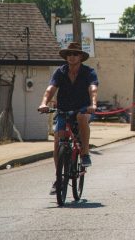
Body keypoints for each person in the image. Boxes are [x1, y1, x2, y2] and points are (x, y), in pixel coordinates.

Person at [38, 42, 98, 195]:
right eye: (69, 54)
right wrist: (44, 103)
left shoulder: (88, 72)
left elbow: (93, 89)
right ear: (66, 57)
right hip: (63, 110)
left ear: (80, 57)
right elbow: (50, 89)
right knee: (58, 141)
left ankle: (84, 153)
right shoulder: (60, 72)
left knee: (82, 117)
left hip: (82, 108)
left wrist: (93, 104)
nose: (72, 56)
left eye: (75, 54)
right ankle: (59, 178)